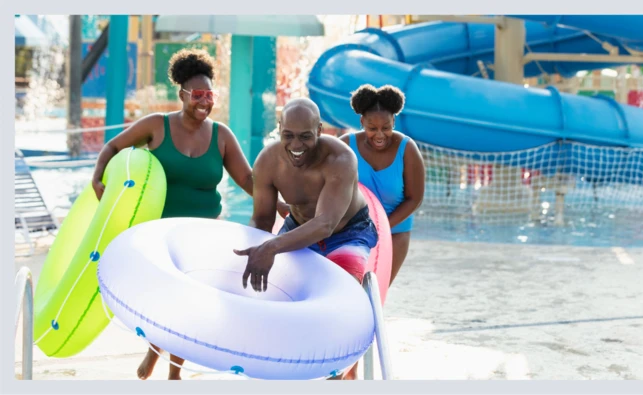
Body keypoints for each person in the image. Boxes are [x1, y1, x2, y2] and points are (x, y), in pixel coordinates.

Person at [90, 48, 288, 380]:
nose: (204, 101)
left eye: (210, 95)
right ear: (181, 93)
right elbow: (113, 147)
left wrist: (277, 202)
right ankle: (155, 349)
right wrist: (98, 176)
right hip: (159, 234)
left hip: (204, 233)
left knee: (187, 302)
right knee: (165, 301)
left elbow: (246, 179)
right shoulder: (156, 126)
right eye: (197, 94)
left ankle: (173, 373)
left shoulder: (221, 135)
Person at [233, 97, 378, 380]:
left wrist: (272, 246)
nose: (296, 146)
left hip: (347, 231)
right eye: (288, 136)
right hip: (297, 226)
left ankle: (336, 372)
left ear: (320, 130)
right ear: (279, 128)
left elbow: (325, 224)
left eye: (305, 137)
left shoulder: (340, 158)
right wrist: (255, 252)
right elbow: (262, 219)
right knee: (272, 291)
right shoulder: (267, 160)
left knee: (341, 295)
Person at [339, 84, 425, 287]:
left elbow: (415, 198)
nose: (379, 135)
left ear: (394, 121)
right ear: (361, 122)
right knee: (350, 288)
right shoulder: (344, 146)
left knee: (376, 289)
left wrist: (381, 226)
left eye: (386, 128)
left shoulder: (407, 149)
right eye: (372, 128)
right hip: (352, 231)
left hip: (394, 232)